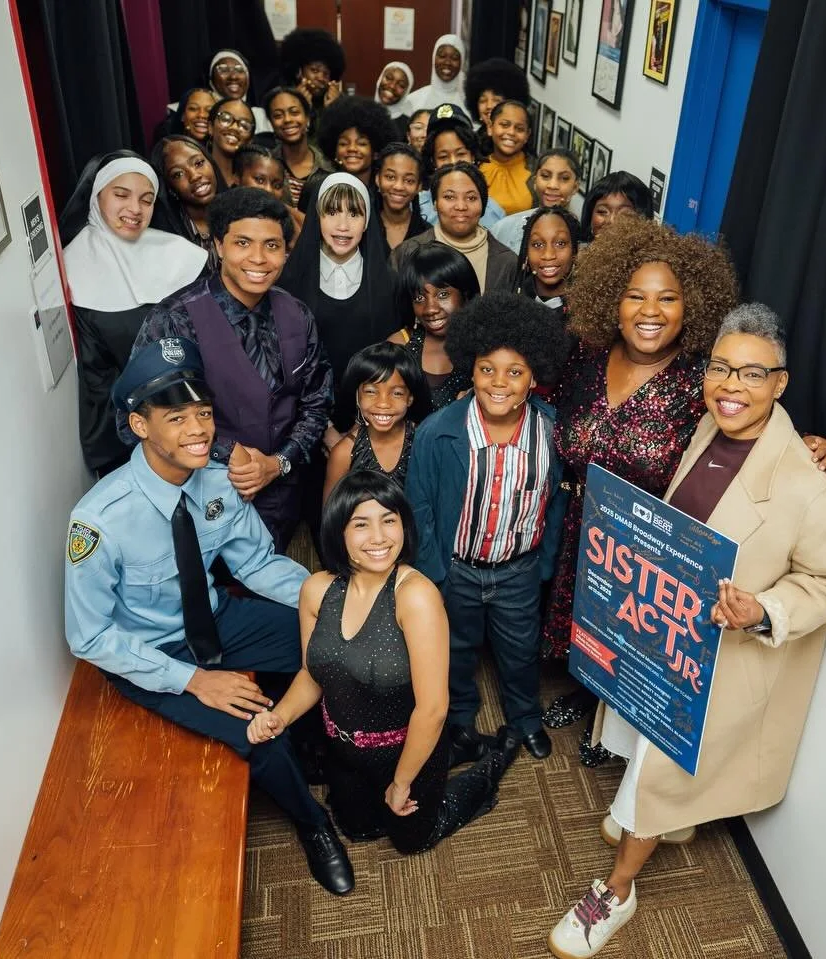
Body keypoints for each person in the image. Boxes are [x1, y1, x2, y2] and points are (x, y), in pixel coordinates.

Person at [548, 303, 826, 958]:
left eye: (752, 373)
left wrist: (766, 608)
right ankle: (662, 816)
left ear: (781, 383)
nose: (731, 385)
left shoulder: (809, 486)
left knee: (659, 767)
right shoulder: (706, 431)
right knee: (642, 742)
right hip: (658, 631)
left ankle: (618, 891)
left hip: (713, 660)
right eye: (721, 367)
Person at [539, 219, 826, 767]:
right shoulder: (582, 355)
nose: (649, 311)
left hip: (652, 537)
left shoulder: (705, 378)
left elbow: (753, 417)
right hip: (580, 520)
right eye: (635, 296)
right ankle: (586, 691)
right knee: (586, 622)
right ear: (612, 298)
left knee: (636, 636)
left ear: (692, 305)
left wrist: (813, 443)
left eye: (667, 298)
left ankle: (618, 715)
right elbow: (531, 393)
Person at [63, 338, 354, 896]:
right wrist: (194, 681)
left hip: (217, 621)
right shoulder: (98, 522)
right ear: (139, 426)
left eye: (202, 412)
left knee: (334, 644)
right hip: (155, 658)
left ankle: (323, 746)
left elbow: (258, 564)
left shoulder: (217, 480)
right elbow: (90, 637)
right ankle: (315, 827)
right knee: (259, 734)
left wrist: (334, 602)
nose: (198, 429)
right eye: (176, 417)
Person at [248, 471, 512, 853]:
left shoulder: (415, 596)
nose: (379, 537)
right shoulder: (316, 589)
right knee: (357, 828)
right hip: (342, 749)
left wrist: (402, 781)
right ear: (338, 531)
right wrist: (280, 717)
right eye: (361, 524)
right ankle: (459, 750)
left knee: (412, 839)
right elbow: (312, 673)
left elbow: (433, 709)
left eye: (389, 520)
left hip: (407, 754)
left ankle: (492, 763)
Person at [405, 292, 572, 767]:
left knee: (519, 652)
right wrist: (435, 571)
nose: (499, 383)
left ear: (534, 377)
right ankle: (459, 716)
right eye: (487, 370)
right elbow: (419, 507)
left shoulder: (551, 432)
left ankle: (524, 718)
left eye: (514, 372)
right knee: (456, 648)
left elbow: (556, 500)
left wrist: (543, 562)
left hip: (518, 569)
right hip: (457, 568)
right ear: (471, 370)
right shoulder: (438, 432)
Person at [130, 187, 332, 553]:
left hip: (282, 504)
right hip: (201, 504)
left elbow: (317, 402)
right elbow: (137, 417)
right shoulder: (175, 320)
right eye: (242, 243)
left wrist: (279, 462)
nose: (258, 258)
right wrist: (224, 451)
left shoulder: (298, 315)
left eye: (272, 246)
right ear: (219, 246)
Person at [61, 151, 207, 476]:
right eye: (121, 195)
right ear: (97, 195)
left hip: (200, 417)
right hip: (129, 434)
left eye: (146, 199)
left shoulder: (183, 256)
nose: (135, 210)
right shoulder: (72, 269)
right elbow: (97, 376)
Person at [277, 172, 400, 438]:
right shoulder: (290, 280)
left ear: (367, 222)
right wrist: (323, 428)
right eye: (332, 213)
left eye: (354, 214)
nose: (343, 226)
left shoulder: (390, 283)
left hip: (374, 419)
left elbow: (392, 360)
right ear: (317, 217)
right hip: (302, 421)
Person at [323, 343, 430, 500]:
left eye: (397, 393)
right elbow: (331, 518)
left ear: (410, 398)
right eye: (371, 392)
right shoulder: (344, 453)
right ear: (357, 396)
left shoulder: (425, 442)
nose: (383, 403)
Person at [391, 163, 516, 293]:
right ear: (435, 203)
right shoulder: (406, 254)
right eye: (449, 197)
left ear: (483, 205)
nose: (461, 206)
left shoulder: (508, 262)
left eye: (471, 198)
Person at [388, 243, 479, 413]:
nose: (430, 309)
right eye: (419, 298)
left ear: (465, 294)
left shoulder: (485, 344)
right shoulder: (399, 346)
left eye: (442, 295)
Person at [417, 105, 506, 227]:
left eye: (461, 154)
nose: (454, 163)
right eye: (443, 157)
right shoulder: (416, 209)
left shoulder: (495, 214)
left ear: (473, 156)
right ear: (433, 161)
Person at [149, 135, 225, 269]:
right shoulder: (164, 239)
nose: (195, 176)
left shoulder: (242, 215)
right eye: (178, 174)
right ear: (170, 188)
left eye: (199, 163)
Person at [490, 149, 585, 254]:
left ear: (575, 187)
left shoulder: (581, 239)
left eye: (564, 178)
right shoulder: (504, 228)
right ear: (535, 181)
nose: (552, 185)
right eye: (545, 176)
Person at [265, 87, 332, 207]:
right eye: (278, 115)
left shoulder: (329, 167)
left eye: (294, 112)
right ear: (271, 123)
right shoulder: (265, 166)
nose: (287, 119)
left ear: (307, 118)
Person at [315, 95, 397, 189]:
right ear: (335, 151)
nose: (352, 148)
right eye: (343, 143)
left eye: (361, 143)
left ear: (375, 153)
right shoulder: (322, 189)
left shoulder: (385, 196)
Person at [514, 206, 582, 315]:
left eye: (560, 243)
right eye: (538, 244)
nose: (548, 255)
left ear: (575, 250)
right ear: (526, 251)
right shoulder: (512, 304)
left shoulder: (590, 307)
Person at [478, 100, 534, 216]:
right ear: (490, 127)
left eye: (519, 129)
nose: (511, 132)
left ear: (527, 135)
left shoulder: (537, 172)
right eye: (504, 125)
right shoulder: (475, 166)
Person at [463, 58, 530, 154]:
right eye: (483, 101)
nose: (489, 106)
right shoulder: (469, 145)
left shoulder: (520, 146)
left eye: (497, 100)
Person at [237, 145, 305, 239]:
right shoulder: (223, 214)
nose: (269, 190)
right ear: (237, 178)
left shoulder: (288, 222)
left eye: (277, 186)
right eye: (260, 180)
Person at [373, 143, 430, 251]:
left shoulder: (428, 235)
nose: (398, 187)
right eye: (390, 177)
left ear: (419, 186)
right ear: (377, 179)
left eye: (409, 180)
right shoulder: (363, 229)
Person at [279, 28, 346, 115]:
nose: (321, 78)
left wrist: (333, 110)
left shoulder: (338, 101)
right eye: (314, 70)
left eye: (326, 73)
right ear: (299, 71)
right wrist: (297, 107)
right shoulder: (280, 99)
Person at [402, 35, 468, 116]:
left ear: (462, 62)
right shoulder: (413, 101)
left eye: (454, 58)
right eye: (442, 56)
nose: (447, 62)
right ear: (434, 58)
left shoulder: (470, 104)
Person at [580, 171, 653, 241]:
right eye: (602, 211)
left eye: (624, 214)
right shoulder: (575, 250)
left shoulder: (650, 253)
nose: (611, 220)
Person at [205, 97, 255, 187]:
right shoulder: (199, 174)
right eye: (225, 119)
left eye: (244, 125)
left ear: (250, 140)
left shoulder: (255, 181)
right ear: (210, 127)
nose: (234, 127)